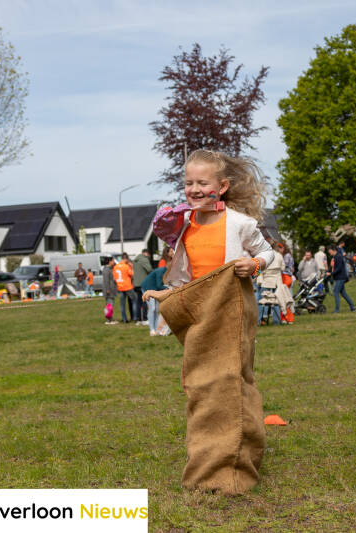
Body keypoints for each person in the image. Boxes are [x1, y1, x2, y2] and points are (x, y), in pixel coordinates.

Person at [143, 148, 274, 494]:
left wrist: (255, 265)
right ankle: (208, 463)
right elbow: (183, 271)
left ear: (223, 185)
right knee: (203, 386)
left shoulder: (240, 223)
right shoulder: (185, 224)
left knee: (233, 380)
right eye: (189, 183)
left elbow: (268, 252)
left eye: (203, 182)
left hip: (232, 308)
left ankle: (234, 463)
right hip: (199, 310)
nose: (195, 189)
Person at [141, 254, 169, 336]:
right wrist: (169, 289)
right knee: (152, 308)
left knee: (156, 309)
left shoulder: (166, 272)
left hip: (154, 290)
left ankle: (157, 329)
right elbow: (159, 284)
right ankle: (151, 329)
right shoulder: (161, 271)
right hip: (147, 288)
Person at [328, 244, 355, 313]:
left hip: (341, 277)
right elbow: (331, 267)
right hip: (337, 277)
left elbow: (339, 268)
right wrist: (326, 272)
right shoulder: (334, 257)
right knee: (343, 293)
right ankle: (352, 307)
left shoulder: (339, 257)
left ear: (333, 250)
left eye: (329, 250)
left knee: (336, 291)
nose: (329, 252)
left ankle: (337, 310)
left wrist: (331, 273)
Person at [113, 253, 135, 323]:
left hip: (120, 286)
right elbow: (132, 274)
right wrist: (132, 267)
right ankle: (135, 317)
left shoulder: (116, 266)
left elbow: (114, 277)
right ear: (126, 259)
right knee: (134, 300)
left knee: (122, 304)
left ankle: (124, 319)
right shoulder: (126, 266)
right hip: (127, 286)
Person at [133, 249, 153, 324]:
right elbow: (149, 269)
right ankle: (144, 318)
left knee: (138, 302)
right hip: (143, 283)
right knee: (144, 301)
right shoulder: (144, 259)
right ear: (146, 253)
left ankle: (138, 319)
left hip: (136, 284)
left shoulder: (135, 260)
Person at [102, 257, 118, 324]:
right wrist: (108, 289)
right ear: (109, 261)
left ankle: (110, 319)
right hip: (109, 290)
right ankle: (110, 319)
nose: (114, 262)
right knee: (110, 305)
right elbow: (106, 281)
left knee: (110, 305)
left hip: (112, 289)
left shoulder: (110, 269)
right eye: (113, 261)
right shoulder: (106, 270)